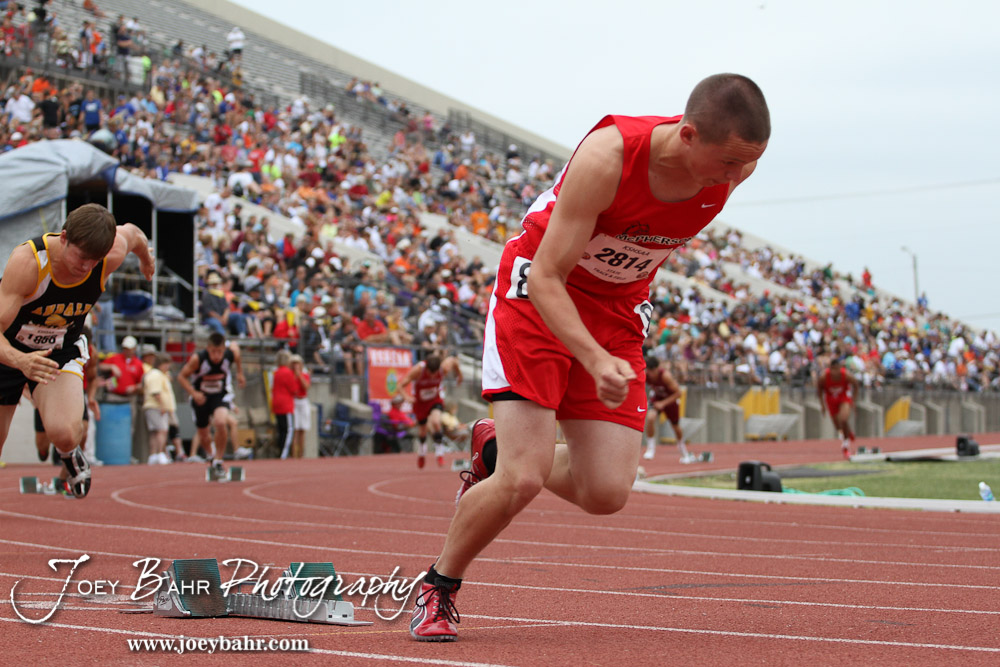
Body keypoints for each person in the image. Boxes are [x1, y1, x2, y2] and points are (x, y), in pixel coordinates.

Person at [410, 74, 769, 641]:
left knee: (606, 492)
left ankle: (497, 443)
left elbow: (644, 241)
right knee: (522, 480)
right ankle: (439, 584)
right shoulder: (608, 158)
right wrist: (597, 360)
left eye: (749, 164)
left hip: (616, 311)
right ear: (688, 134)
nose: (738, 176)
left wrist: (617, 328)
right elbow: (549, 275)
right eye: (728, 163)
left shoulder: (729, 169)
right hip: (538, 297)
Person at [0, 203, 155, 498]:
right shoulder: (30, 262)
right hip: (8, 349)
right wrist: (20, 360)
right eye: (82, 257)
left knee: (65, 432)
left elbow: (134, 234)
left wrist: (147, 259)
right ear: (64, 237)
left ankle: (71, 454)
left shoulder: (109, 254)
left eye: (95, 261)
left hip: (58, 348)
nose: (86, 267)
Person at [177, 332, 246, 475]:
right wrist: (194, 393)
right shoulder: (198, 359)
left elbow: (237, 354)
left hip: (219, 396)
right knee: (204, 435)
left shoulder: (229, 355)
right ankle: (211, 455)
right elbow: (181, 377)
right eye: (213, 352)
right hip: (201, 397)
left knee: (220, 422)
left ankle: (218, 460)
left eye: (220, 352)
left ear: (224, 349)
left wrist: (240, 373)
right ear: (208, 349)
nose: (217, 356)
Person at [399, 352, 463, 468]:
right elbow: (401, 385)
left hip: (434, 400)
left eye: (435, 373)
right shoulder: (418, 370)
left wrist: (459, 375)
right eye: (430, 373)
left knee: (436, 422)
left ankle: (439, 453)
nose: (433, 376)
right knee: (422, 430)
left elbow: (453, 360)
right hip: (420, 403)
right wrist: (406, 397)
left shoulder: (443, 368)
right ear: (426, 367)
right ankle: (422, 453)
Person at [643, 356, 690, 462]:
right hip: (657, 398)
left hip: (670, 400)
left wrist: (663, 403)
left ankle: (683, 450)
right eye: (647, 370)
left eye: (651, 371)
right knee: (650, 418)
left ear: (656, 369)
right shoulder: (646, 375)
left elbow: (678, 393)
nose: (649, 373)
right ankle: (650, 448)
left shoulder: (665, 376)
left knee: (675, 427)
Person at [817, 356, 859, 458]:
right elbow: (819, 390)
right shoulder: (823, 377)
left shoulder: (846, 375)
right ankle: (848, 432)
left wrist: (853, 400)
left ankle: (845, 445)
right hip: (831, 400)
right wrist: (822, 405)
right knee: (838, 426)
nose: (835, 372)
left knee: (843, 419)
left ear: (840, 368)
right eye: (833, 370)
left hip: (843, 398)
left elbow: (856, 385)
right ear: (830, 369)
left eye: (837, 369)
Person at [142, 352, 176, 465]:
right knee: (162, 430)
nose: (167, 367)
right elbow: (156, 392)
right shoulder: (155, 374)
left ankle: (153, 455)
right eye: (165, 364)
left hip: (154, 406)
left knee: (154, 432)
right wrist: (162, 406)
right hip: (156, 406)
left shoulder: (160, 374)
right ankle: (160, 453)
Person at [270, 349, 295, 459]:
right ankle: (283, 454)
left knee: (281, 429)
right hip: (286, 403)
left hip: (276, 402)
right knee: (288, 429)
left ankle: (280, 451)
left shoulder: (276, 372)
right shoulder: (287, 372)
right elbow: (294, 389)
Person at [289, 354, 311, 459]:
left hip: (303, 401)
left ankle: (301, 455)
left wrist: (299, 375)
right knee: (295, 430)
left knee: (303, 429)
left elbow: (306, 387)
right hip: (294, 401)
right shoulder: (290, 375)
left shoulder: (304, 375)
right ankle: (293, 455)